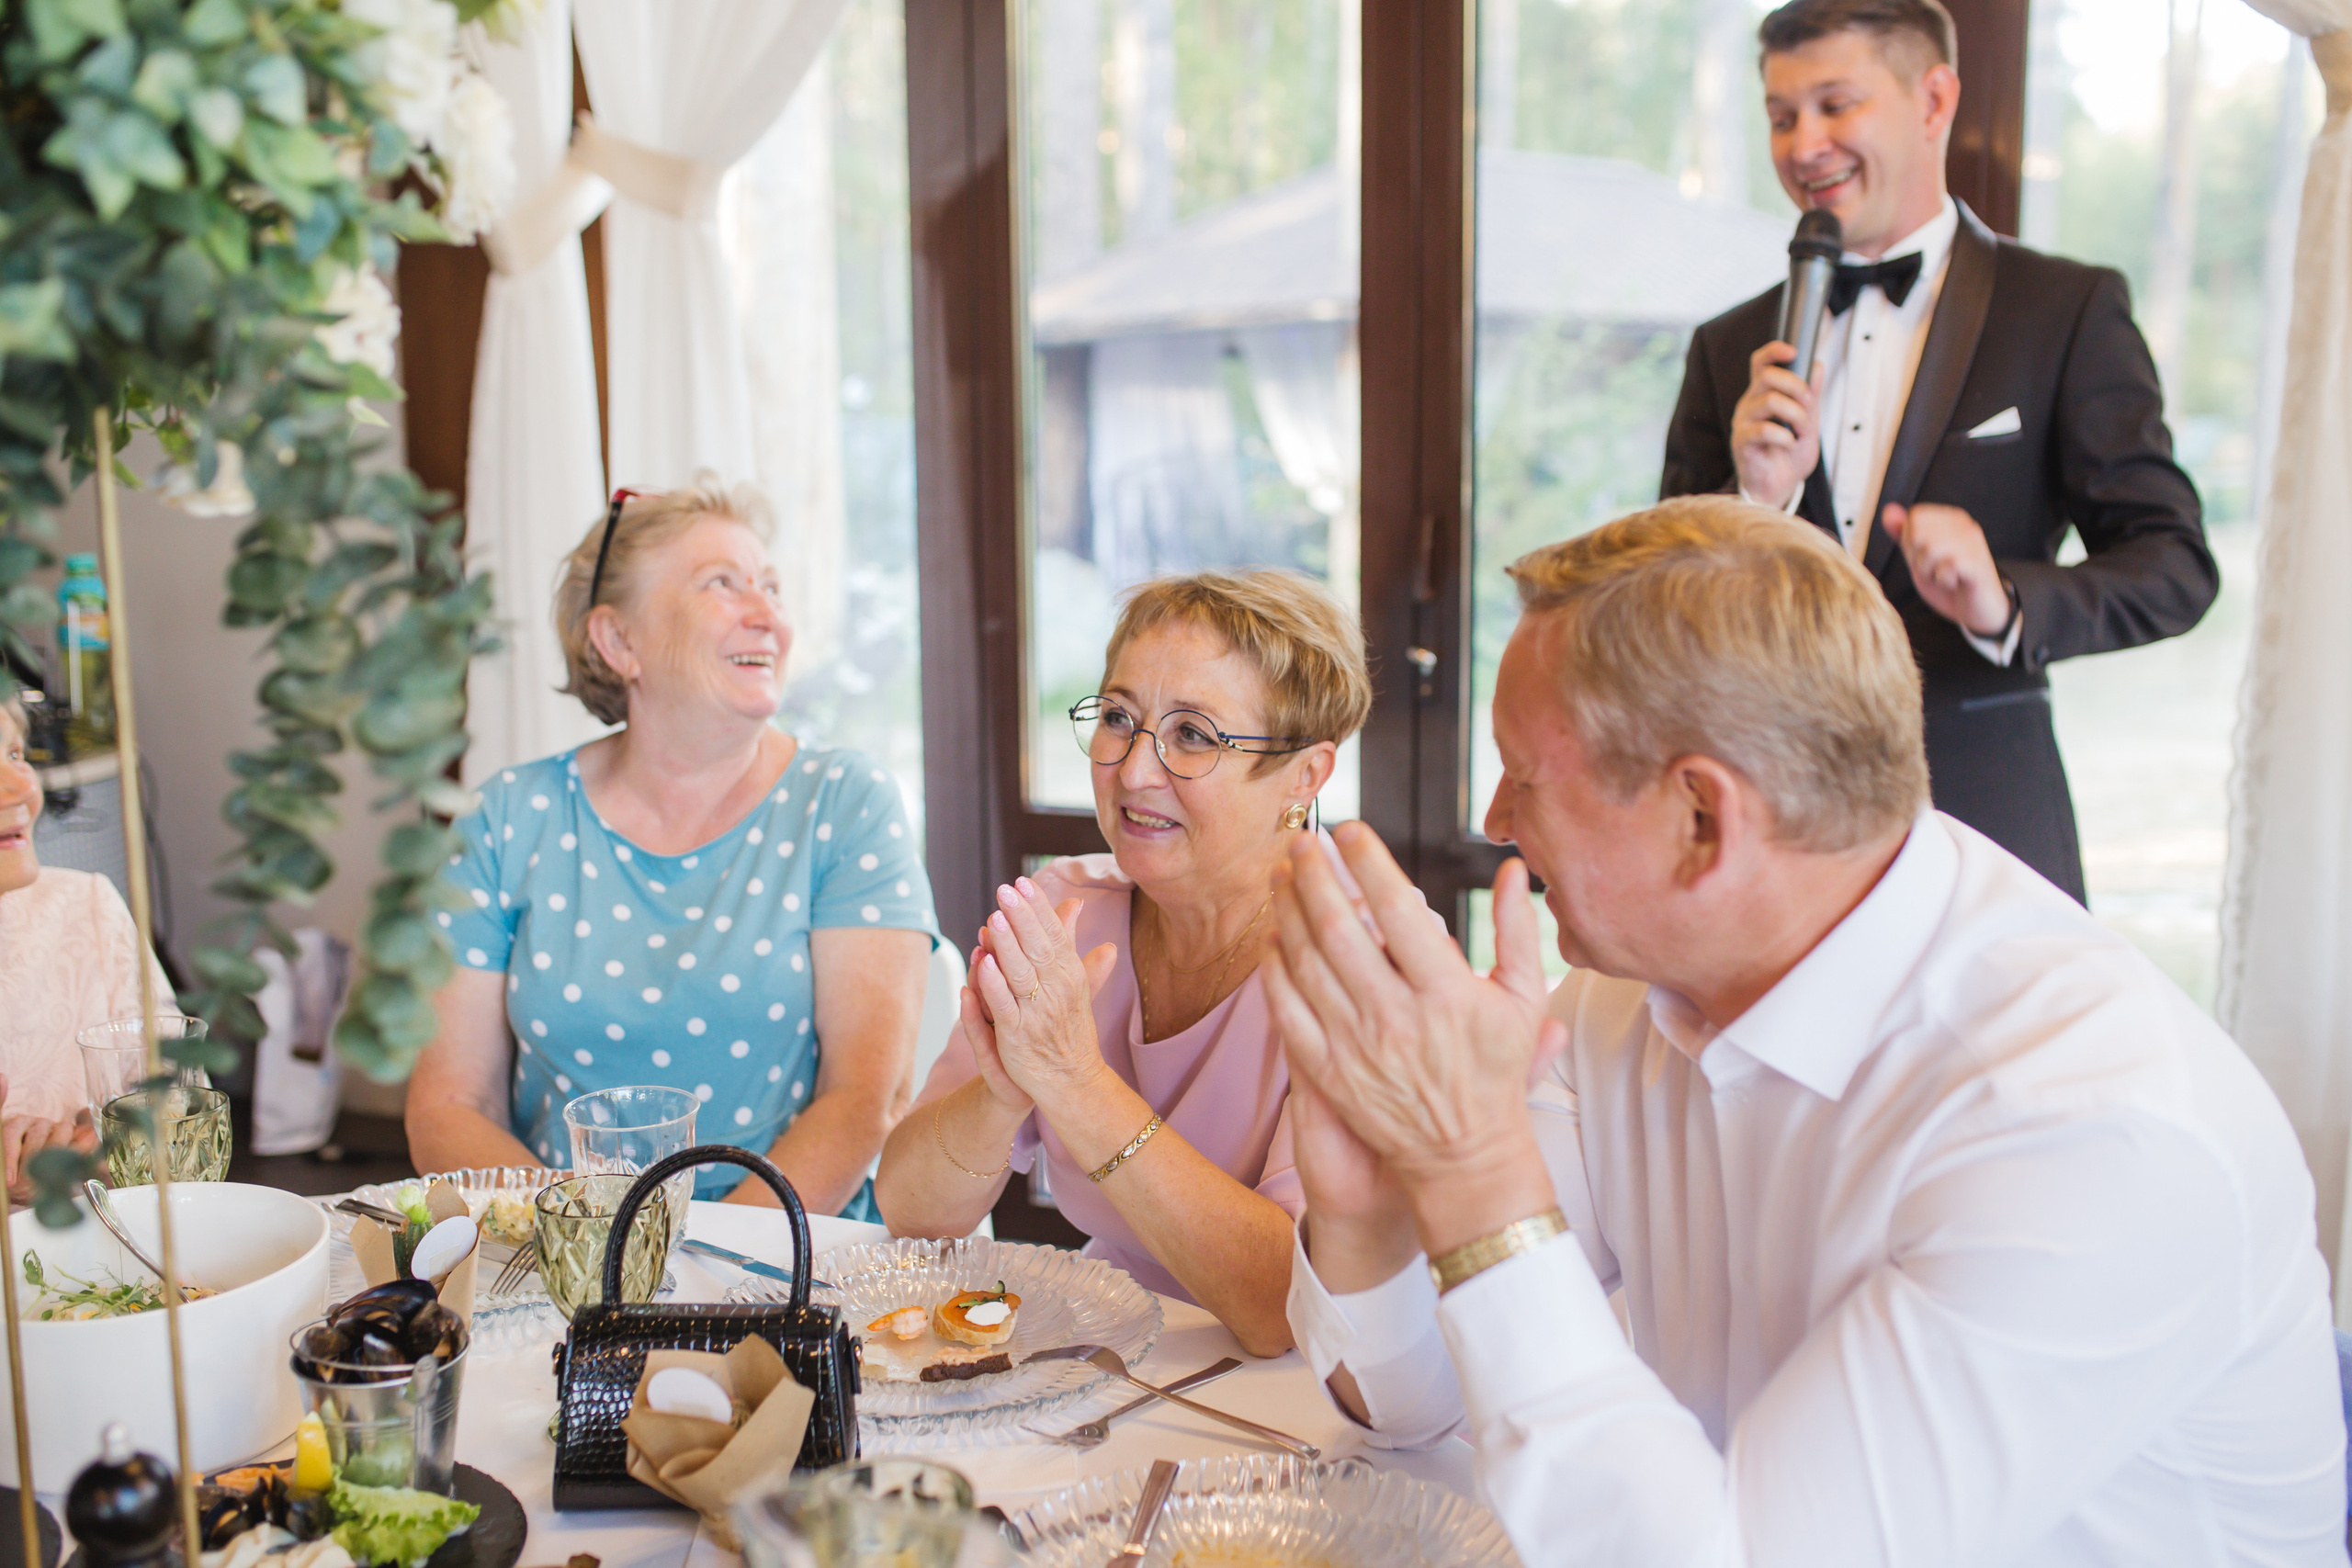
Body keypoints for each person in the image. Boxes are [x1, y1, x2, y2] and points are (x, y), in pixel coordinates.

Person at [1268, 497, 2343, 1563]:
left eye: (1524, 773)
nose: (1496, 819)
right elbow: (1417, 1407)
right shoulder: (1628, 997)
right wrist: (1371, 1217)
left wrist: (1471, 1167)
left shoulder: (2090, 1129)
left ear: (1702, 820)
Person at [1658, 0, 2215, 902]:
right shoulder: (1729, 348)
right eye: (1781, 116)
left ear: (1933, 101)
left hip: (1986, 831)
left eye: (1836, 105)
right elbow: (1659, 610)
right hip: (1764, 844)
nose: (1804, 145)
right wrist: (1756, 501)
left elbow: (2174, 566)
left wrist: (2002, 601)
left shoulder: (2064, 312)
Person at [408, 479, 937, 1217]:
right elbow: (450, 1103)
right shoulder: (503, 819)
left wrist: (710, 1263)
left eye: (771, 587)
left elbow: (865, 1097)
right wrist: (589, 1245)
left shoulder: (845, 802)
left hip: (786, 1245)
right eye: (721, 583)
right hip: (562, 1240)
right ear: (620, 641)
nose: (769, 617)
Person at [874, 571, 1370, 1355]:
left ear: (1305, 774)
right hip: (1111, 1350)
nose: (1135, 771)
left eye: (1193, 735)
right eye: (1118, 718)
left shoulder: (1365, 965)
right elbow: (911, 1210)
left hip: (1305, 1396)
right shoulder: (1066, 910)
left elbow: (1287, 1306)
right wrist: (1002, 1092)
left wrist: (1073, 1081)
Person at [0, 693, 163, 1204]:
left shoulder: (86, 907)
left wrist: (119, 1146)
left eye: (15, 753)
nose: (23, 788)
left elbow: (183, 1112)